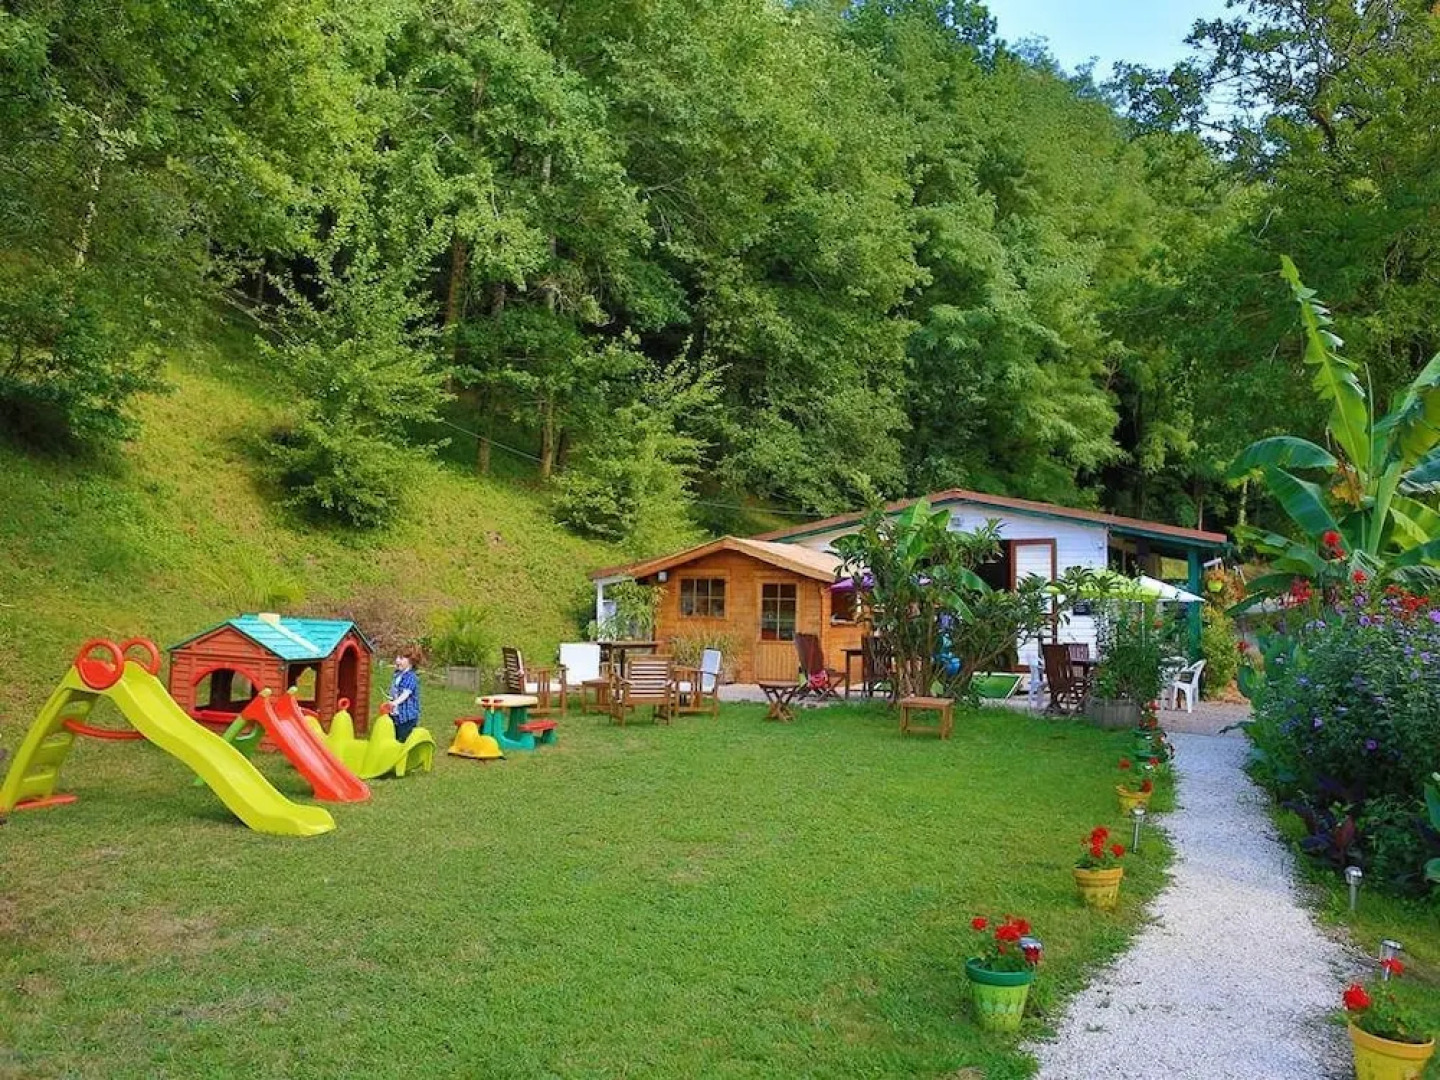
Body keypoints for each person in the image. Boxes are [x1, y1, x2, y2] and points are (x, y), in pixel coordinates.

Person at [387, 650, 421, 741]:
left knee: (404, 739)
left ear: (411, 662)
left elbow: (406, 693)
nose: (397, 660)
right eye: (397, 658)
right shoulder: (397, 674)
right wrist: (390, 699)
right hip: (395, 714)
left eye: (401, 658)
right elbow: (394, 689)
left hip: (407, 717)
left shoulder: (411, 676)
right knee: (394, 737)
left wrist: (395, 703)